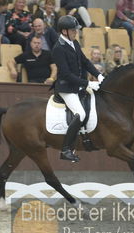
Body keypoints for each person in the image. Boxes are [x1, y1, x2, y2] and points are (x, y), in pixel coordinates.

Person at [51, 15, 104, 162]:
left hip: (78, 85)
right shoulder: (58, 48)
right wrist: (87, 84)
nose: (76, 32)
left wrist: (99, 76)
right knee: (80, 113)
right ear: (64, 31)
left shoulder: (74, 43)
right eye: (73, 30)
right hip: (66, 88)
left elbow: (85, 62)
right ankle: (66, 149)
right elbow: (66, 74)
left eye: (76, 30)